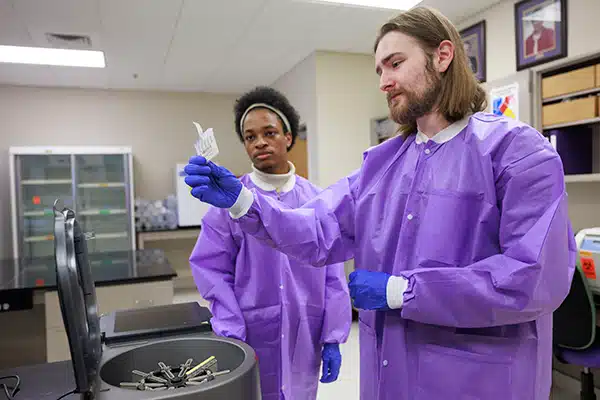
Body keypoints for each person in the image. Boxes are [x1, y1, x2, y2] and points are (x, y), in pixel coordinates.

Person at [184, 6, 576, 400]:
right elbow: (317, 231)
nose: (384, 82)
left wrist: (402, 292)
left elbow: (533, 276)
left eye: (395, 63)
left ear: (442, 56)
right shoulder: (381, 166)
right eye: (379, 71)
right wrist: (243, 202)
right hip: (391, 373)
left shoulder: (518, 153)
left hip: (477, 378)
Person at [188, 86, 352, 400]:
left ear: (289, 137)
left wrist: (332, 335)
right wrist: (231, 330)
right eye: (250, 137)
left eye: (269, 132)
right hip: (250, 331)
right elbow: (212, 271)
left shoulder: (317, 200)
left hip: (304, 330)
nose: (260, 142)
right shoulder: (230, 201)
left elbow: (333, 274)